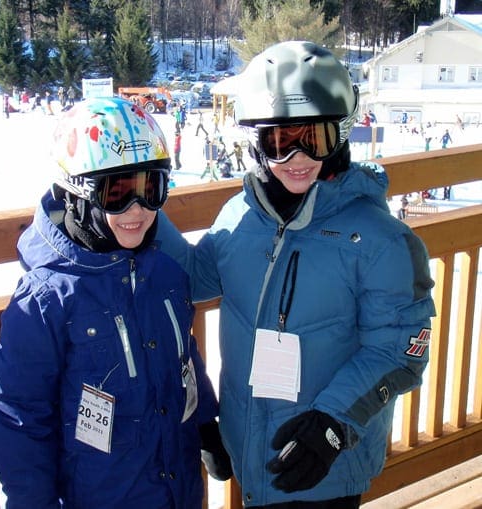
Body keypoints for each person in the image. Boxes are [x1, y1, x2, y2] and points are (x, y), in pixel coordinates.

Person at [156, 41, 435, 508]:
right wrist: (140, 203)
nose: (298, 157)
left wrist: (332, 424)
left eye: (315, 139)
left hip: (325, 462)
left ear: (340, 136)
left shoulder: (380, 240)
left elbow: (402, 350)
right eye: (281, 142)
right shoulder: (240, 216)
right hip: (251, 450)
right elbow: (192, 278)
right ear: (257, 143)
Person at [0, 97, 229, 509]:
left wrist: (204, 421)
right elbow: (19, 416)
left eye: (151, 189)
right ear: (76, 192)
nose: (138, 210)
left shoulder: (164, 273)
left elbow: (182, 355)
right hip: (103, 495)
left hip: (178, 490)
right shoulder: (47, 299)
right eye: (118, 193)